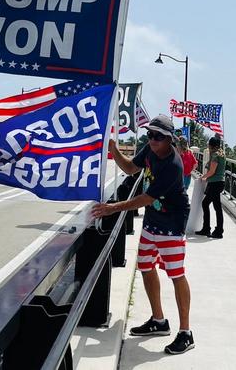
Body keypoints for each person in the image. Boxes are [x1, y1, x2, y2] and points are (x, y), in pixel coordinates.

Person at [92, 115, 195, 355]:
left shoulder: (173, 165)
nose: (153, 140)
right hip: (152, 221)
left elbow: (146, 198)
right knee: (146, 266)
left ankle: (186, 333)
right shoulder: (148, 151)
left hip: (172, 223)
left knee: (176, 274)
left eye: (158, 136)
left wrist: (112, 208)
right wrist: (114, 149)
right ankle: (158, 321)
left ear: (169, 139)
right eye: (150, 135)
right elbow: (130, 168)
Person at [196, 136, 226, 238]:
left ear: (211, 145)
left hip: (214, 183)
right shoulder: (221, 154)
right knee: (217, 207)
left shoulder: (215, 156)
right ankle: (217, 230)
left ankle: (208, 229)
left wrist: (202, 177)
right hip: (219, 182)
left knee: (205, 204)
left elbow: (212, 171)